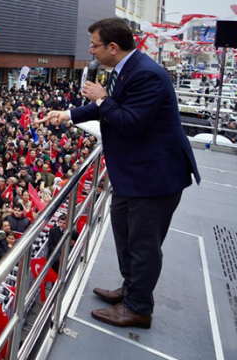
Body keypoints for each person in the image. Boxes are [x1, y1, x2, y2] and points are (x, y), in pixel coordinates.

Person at [39, 17, 200, 328]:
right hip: (132, 175)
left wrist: (100, 96)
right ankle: (131, 290)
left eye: (95, 45)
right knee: (125, 236)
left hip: (154, 177)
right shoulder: (124, 69)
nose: (91, 50)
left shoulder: (146, 75)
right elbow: (106, 108)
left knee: (143, 245)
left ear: (113, 47)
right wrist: (68, 114)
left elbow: (128, 121)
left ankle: (139, 307)